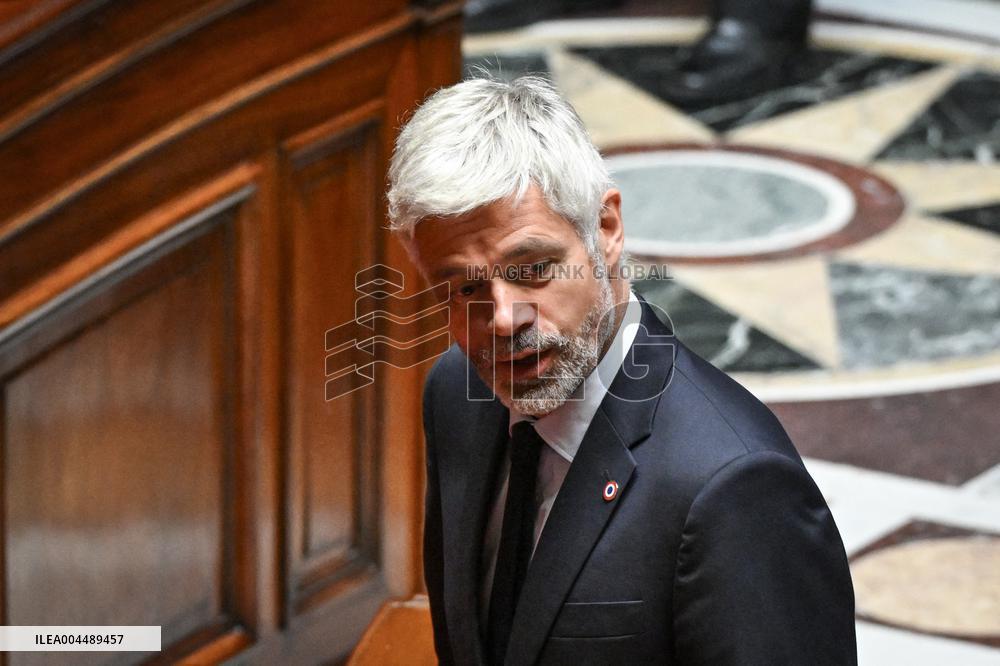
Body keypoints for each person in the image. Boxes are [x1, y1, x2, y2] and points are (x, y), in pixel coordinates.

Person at [387, 75, 856, 665]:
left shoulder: (733, 485)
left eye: (532, 269)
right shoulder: (456, 394)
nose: (503, 319)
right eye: (462, 288)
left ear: (605, 229)